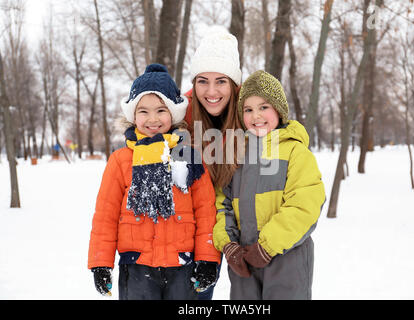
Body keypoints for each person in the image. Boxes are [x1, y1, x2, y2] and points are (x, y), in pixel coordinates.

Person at [88, 63, 221, 300]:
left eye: (161, 110)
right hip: (137, 266)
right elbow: (105, 215)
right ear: (133, 115)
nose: (153, 119)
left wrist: (208, 259)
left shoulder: (188, 157)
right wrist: (101, 262)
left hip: (183, 266)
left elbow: (206, 212)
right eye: (144, 111)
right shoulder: (120, 161)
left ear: (173, 114)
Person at [213, 70, 326, 300]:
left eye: (264, 107)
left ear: (279, 110)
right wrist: (229, 244)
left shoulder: (295, 151)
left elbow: (305, 206)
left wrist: (267, 246)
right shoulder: (236, 154)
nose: (256, 116)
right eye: (248, 109)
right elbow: (221, 203)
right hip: (243, 261)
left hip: (287, 259)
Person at [184, 26, 243, 300]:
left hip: (234, 233)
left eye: (221, 81)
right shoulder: (178, 119)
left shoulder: (252, 118)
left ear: (234, 84)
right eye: (202, 81)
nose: (211, 91)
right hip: (185, 234)